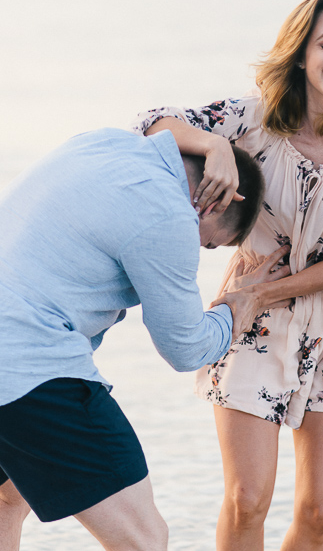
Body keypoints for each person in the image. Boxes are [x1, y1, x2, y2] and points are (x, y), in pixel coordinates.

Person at [134, 0, 323, 551]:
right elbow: (150, 126)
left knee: (320, 512)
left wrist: (266, 294)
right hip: (250, 324)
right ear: (302, 51)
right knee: (248, 500)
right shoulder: (251, 120)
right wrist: (211, 144)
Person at [0, 126, 287, 551]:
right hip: (29, 367)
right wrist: (235, 309)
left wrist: (213, 143)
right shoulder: (169, 215)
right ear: (211, 205)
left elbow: (163, 122)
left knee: (9, 498)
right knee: (144, 539)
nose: (199, 247)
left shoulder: (103, 143)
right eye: (210, 245)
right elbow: (185, 348)